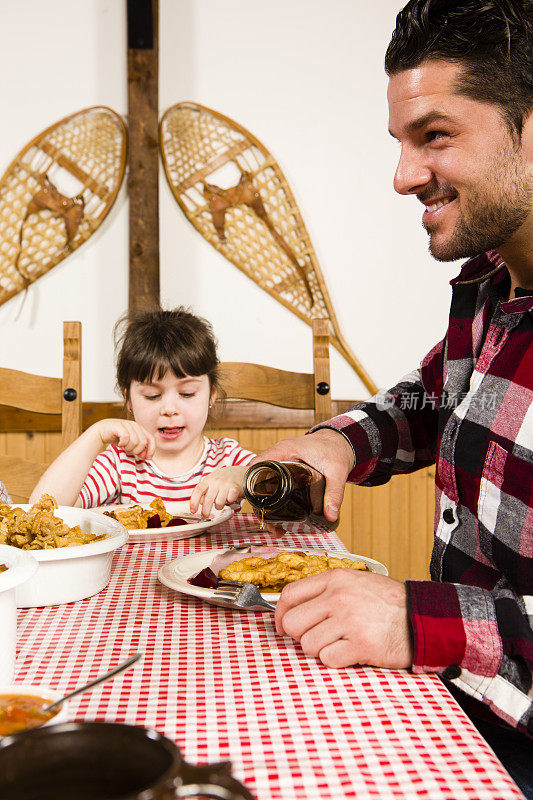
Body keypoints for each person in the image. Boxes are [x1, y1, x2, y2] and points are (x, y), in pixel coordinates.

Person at [252, 0, 533, 793]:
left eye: (434, 136)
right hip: (465, 704)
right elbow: (430, 399)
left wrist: (415, 619)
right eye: (401, 143)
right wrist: (334, 445)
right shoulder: (490, 282)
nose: (404, 176)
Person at [30, 307, 255, 515]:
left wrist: (243, 477)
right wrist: (95, 434)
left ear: (212, 394)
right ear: (128, 399)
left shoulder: (227, 458)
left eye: (187, 394)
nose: (169, 409)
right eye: (152, 396)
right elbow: (43, 511)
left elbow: (285, 485)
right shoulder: (120, 464)